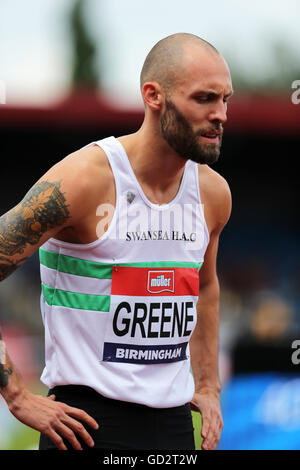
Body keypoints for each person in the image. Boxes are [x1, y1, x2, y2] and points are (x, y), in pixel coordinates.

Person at [0, 32, 233, 451]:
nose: (221, 114)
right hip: (86, 424)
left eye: (225, 100)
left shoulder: (213, 194)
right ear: (153, 96)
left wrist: (209, 384)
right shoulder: (83, 180)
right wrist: (16, 395)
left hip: (175, 427)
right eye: (204, 98)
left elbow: (206, 285)